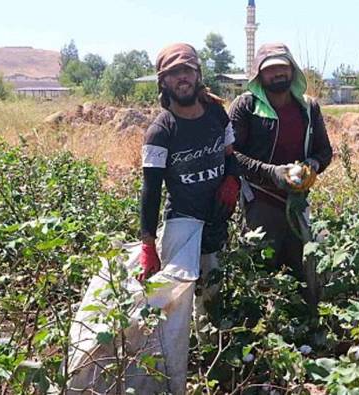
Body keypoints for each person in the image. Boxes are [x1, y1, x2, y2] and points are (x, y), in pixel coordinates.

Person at [139, 43, 240, 316]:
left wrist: (232, 180)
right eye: (173, 73)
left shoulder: (217, 114)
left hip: (215, 219)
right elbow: (151, 190)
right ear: (163, 82)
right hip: (182, 223)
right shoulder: (160, 131)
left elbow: (231, 155)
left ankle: (208, 348)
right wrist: (147, 245)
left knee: (211, 296)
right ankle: (176, 357)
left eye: (187, 70)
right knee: (174, 301)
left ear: (198, 75)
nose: (182, 77)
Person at [229, 43, 333, 307]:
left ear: (292, 70)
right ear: (259, 75)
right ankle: (263, 339)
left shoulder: (308, 108)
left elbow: (325, 151)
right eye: (270, 69)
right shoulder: (246, 106)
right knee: (262, 275)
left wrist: (311, 166)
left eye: (282, 68)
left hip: (297, 203)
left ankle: (304, 333)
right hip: (260, 203)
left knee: (303, 272)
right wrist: (272, 173)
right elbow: (231, 156)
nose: (277, 74)